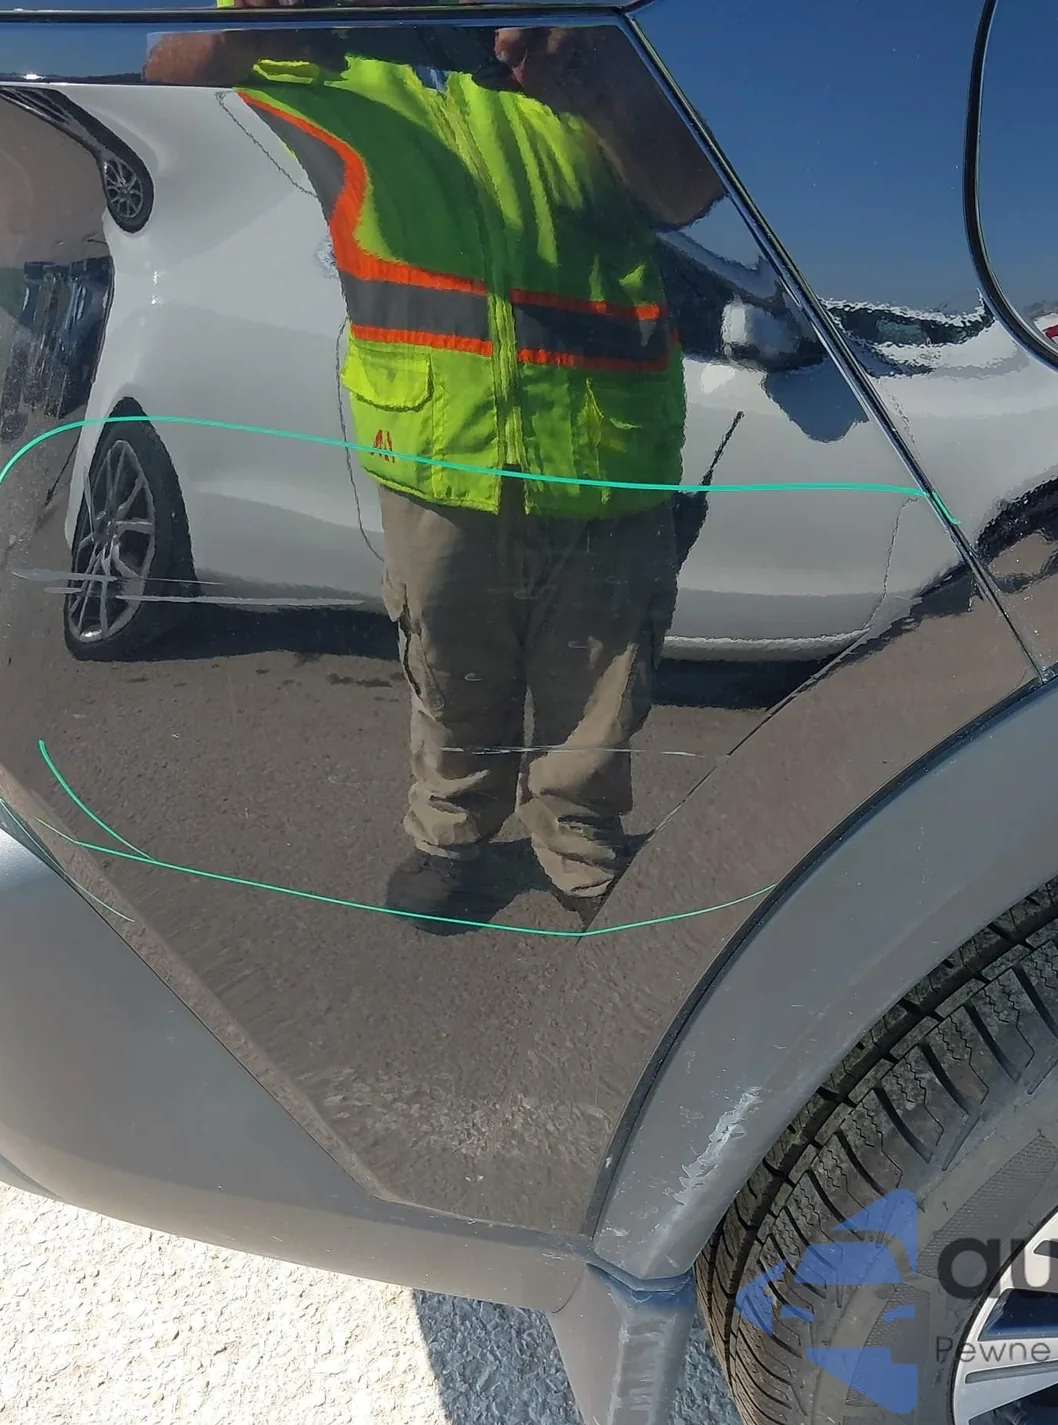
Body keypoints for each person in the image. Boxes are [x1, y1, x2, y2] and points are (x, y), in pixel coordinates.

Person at [147, 8, 722, 928]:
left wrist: (589, 76)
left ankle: (580, 844)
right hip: (434, 443)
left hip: (609, 446)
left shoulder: (580, 34)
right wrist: (262, 26)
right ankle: (450, 833)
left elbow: (688, 190)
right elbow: (174, 70)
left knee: (601, 689)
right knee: (451, 671)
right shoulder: (331, 41)